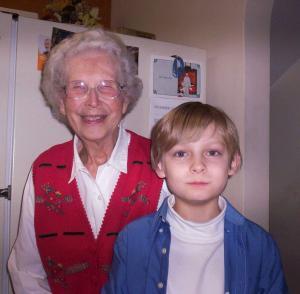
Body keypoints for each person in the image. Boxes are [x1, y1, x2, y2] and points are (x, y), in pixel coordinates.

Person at [8, 29, 167, 293]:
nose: (93, 101)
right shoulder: (44, 170)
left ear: (125, 100)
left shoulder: (162, 163)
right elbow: (26, 271)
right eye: (78, 87)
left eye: (106, 86)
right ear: (61, 102)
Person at [103, 101, 288, 293]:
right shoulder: (132, 240)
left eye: (212, 152)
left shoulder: (259, 245)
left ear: (233, 163)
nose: (198, 165)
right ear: (160, 165)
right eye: (181, 153)